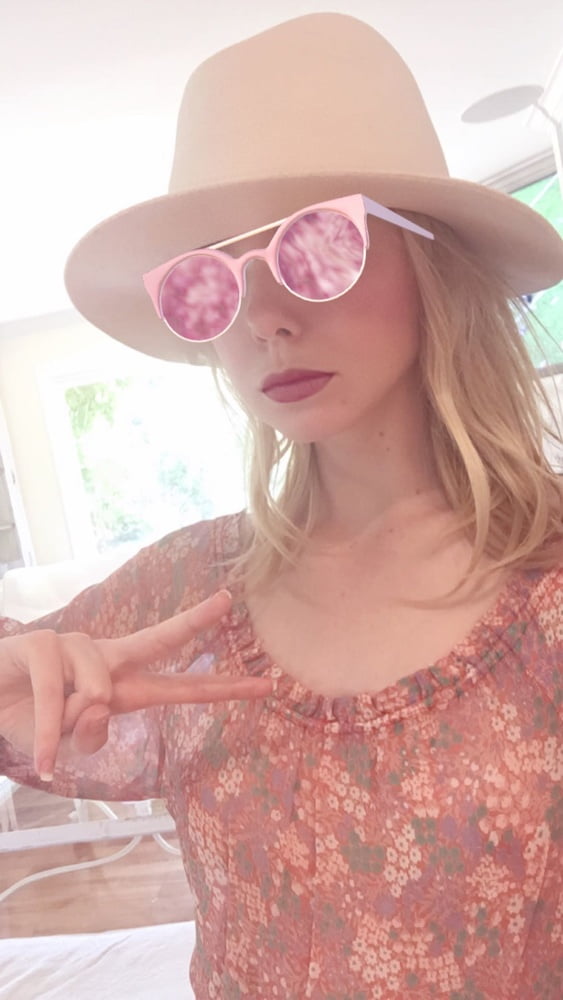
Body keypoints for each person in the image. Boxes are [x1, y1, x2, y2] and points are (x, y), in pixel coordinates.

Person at [1, 12, 562, 998]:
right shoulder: (186, 588)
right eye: (209, 281)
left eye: (317, 245)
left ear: (434, 263)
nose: (263, 315)